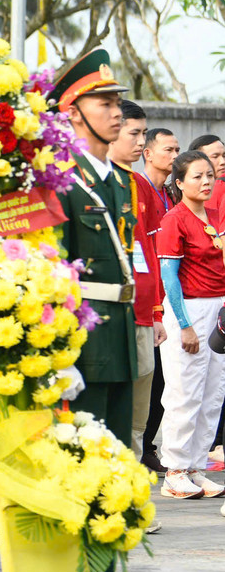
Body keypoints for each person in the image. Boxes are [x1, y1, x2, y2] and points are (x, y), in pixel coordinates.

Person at [47, 49, 151, 572]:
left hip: (118, 333)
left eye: (117, 102)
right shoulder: (61, 180)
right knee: (81, 471)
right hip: (84, 341)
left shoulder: (118, 182)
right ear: (74, 111)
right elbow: (54, 270)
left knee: (114, 471)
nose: (115, 112)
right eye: (104, 103)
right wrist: (62, 352)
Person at [154, 150, 225, 500]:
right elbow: (169, 276)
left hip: (217, 309)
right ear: (179, 182)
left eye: (209, 175)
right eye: (197, 176)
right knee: (185, 392)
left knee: (213, 393)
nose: (207, 181)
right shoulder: (174, 220)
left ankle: (196, 467)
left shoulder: (213, 215)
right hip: (190, 309)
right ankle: (175, 470)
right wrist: (184, 324)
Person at [109, 102, 166, 482]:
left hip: (144, 313)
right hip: (110, 314)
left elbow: (152, 251)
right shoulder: (93, 182)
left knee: (138, 412)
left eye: (144, 134)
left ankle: (128, 493)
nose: (140, 142)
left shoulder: (140, 185)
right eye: (134, 133)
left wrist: (158, 311)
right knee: (112, 407)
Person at [140, 126, 180, 471]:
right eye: (168, 149)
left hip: (171, 294)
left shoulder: (172, 193)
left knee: (165, 379)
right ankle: (141, 446)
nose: (174, 156)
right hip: (150, 295)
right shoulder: (139, 190)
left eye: (178, 149)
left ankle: (149, 444)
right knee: (150, 376)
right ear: (147, 153)